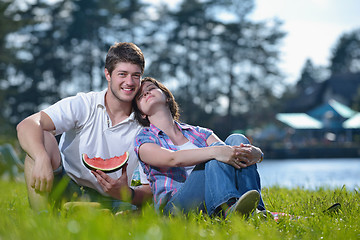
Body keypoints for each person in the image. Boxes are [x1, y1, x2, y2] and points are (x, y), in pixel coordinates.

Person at [16, 42, 152, 212]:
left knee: (127, 215)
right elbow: (27, 124)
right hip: (67, 187)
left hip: (120, 198)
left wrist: (128, 193)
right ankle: (41, 221)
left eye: (136, 75)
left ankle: (86, 212)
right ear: (108, 74)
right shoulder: (84, 104)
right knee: (41, 139)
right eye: (122, 74)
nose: (129, 82)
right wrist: (41, 157)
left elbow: (149, 190)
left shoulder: (147, 122)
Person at [133, 77, 266, 218]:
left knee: (236, 139)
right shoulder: (143, 139)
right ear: (141, 112)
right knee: (215, 151)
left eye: (151, 88)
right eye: (140, 96)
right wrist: (214, 151)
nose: (146, 94)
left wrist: (258, 153)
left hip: (208, 195)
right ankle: (229, 208)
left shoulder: (199, 132)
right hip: (175, 207)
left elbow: (229, 154)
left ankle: (256, 210)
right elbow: (173, 159)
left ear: (166, 97)